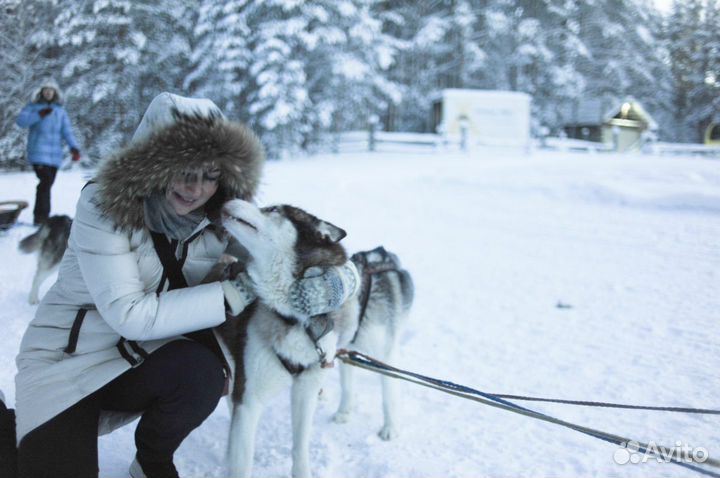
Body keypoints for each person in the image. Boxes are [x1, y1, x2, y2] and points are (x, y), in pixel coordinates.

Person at [10, 92, 360, 478]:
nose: (195, 189)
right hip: (68, 364)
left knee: (204, 373)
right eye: (184, 170)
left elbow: (288, 252)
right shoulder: (104, 206)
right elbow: (131, 315)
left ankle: (151, 461)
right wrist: (233, 294)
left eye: (210, 175)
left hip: (137, 359)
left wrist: (340, 280)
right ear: (151, 164)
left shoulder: (214, 218)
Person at [16, 81, 81, 225]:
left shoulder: (60, 111)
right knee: (45, 183)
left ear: (55, 93)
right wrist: (39, 114)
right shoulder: (32, 108)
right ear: (41, 92)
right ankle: (40, 218)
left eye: (51, 91)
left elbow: (67, 131)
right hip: (38, 154)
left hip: (54, 157)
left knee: (47, 184)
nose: (48, 93)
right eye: (46, 90)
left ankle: (42, 216)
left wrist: (74, 148)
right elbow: (21, 121)